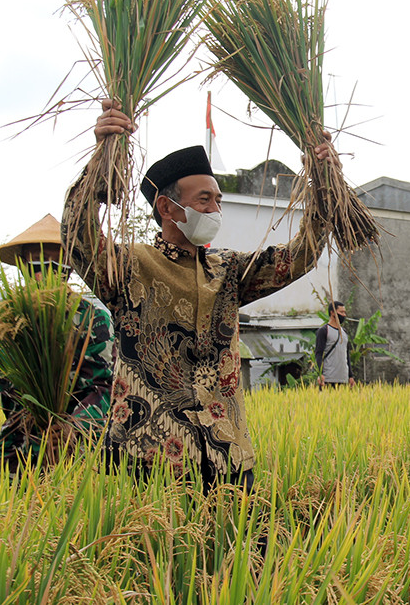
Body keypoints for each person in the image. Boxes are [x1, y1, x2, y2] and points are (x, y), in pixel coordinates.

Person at [63, 99, 337, 489]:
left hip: (227, 456)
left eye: (219, 200)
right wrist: (102, 157)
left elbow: (299, 255)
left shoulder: (228, 271)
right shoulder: (128, 266)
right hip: (149, 459)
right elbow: (78, 235)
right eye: (204, 199)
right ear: (167, 207)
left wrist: (323, 180)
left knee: (239, 548)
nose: (215, 209)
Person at [0, 215, 114, 474]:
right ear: (22, 265)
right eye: (37, 262)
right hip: (14, 454)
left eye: (56, 263)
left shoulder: (92, 319)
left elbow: (105, 387)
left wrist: (75, 427)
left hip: (76, 453)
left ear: (70, 267)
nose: (45, 272)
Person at [315, 301, 355, 387]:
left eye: (344, 312)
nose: (344, 315)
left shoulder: (344, 332)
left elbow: (346, 355)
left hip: (343, 378)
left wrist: (350, 376)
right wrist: (320, 373)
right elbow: (319, 354)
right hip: (328, 378)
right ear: (332, 312)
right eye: (341, 312)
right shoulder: (324, 331)